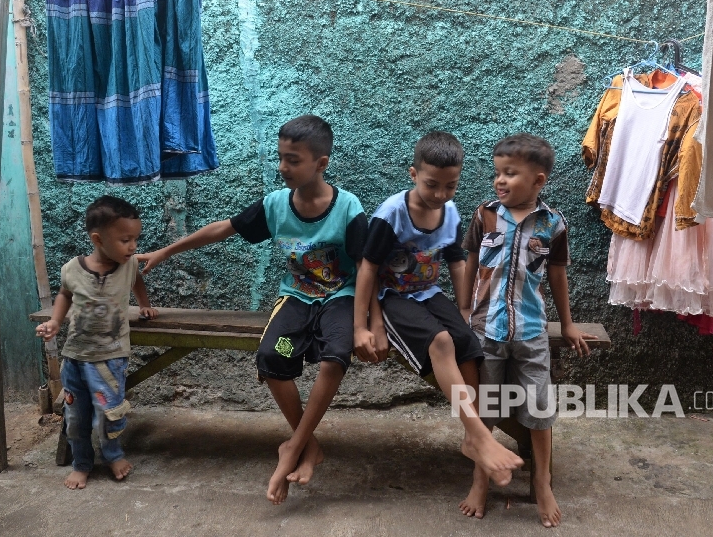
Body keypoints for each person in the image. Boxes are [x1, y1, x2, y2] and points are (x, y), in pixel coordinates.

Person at [136, 115, 367, 505]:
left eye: (293, 160)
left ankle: (292, 449)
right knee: (273, 357)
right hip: (296, 300)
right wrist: (166, 250)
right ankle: (306, 445)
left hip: (339, 301)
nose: (283, 167)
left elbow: (366, 268)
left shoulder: (347, 207)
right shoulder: (275, 206)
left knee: (335, 356)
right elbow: (222, 229)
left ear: (321, 164)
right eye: (281, 157)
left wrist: (366, 324)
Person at [353, 131, 525, 492]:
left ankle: (471, 434)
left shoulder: (449, 213)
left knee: (468, 342)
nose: (441, 194)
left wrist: (464, 308)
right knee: (442, 341)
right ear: (413, 174)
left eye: (451, 186)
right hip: (391, 297)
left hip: (427, 293)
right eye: (432, 185)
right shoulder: (391, 215)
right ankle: (479, 434)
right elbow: (366, 269)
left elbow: (456, 262)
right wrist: (367, 326)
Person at [458, 133, 595, 526]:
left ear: (538, 181)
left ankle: (543, 481)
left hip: (531, 332)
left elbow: (557, 275)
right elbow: (470, 261)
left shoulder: (552, 224)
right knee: (486, 408)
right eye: (497, 172)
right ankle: (480, 481)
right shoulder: (484, 215)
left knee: (539, 409)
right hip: (485, 330)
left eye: (510, 173)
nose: (499, 180)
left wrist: (566, 324)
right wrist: (464, 307)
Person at [35, 196, 159, 490]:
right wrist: (54, 321)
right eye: (125, 239)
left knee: (109, 412)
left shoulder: (128, 266)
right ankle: (81, 463)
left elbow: (137, 281)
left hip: (110, 359)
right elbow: (65, 294)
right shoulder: (72, 269)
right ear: (98, 239)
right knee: (76, 417)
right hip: (75, 358)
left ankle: (113, 454)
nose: (133, 247)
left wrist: (144, 304)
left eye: (135, 239)